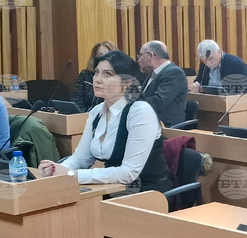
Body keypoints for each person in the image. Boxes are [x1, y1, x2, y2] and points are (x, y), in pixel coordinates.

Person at [40, 51, 172, 194]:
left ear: (127, 83)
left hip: (148, 193)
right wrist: (56, 170)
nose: (97, 79)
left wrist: (72, 174)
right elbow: (81, 158)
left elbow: (128, 173)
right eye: (96, 72)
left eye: (107, 74)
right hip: (111, 189)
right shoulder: (96, 112)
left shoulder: (140, 112)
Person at [136, 40, 188, 127]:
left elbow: (157, 103)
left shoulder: (174, 73)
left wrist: (131, 102)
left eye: (140, 55)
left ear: (150, 56)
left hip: (165, 127)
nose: (138, 60)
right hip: (148, 122)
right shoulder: (152, 74)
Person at [74, 41, 117, 111]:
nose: (103, 59)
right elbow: (76, 99)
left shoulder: (117, 78)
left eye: (106, 56)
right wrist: (84, 114)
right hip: (84, 114)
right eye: (100, 56)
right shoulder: (86, 75)